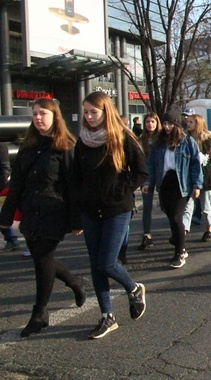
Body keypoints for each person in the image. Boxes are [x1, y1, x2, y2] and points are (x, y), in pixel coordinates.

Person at [0, 99, 85, 337]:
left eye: (43, 113)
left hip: (54, 212)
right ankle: (74, 280)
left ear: (55, 116)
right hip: (30, 212)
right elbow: (16, 184)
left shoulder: (66, 146)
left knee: (43, 258)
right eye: (35, 114)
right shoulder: (28, 146)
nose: (38, 117)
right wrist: (6, 215)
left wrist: (77, 220)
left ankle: (40, 313)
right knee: (40, 258)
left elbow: (73, 186)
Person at [70, 92, 148, 340]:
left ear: (106, 112)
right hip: (90, 211)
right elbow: (75, 178)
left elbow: (141, 172)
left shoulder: (123, 136)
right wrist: (77, 212)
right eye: (86, 112)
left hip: (117, 208)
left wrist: (121, 189)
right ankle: (107, 316)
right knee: (96, 265)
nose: (89, 117)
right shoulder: (82, 140)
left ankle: (134, 289)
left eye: (94, 112)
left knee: (107, 262)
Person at [142, 107, 202, 269]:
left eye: (170, 124)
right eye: (165, 124)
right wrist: (148, 183)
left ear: (177, 124)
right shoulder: (158, 143)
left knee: (176, 217)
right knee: (170, 215)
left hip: (181, 183)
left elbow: (196, 165)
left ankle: (179, 252)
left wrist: (197, 185)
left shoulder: (187, 142)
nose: (167, 127)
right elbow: (152, 166)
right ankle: (179, 241)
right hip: (165, 183)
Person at [183, 114, 211, 241]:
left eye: (191, 122)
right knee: (188, 205)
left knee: (205, 205)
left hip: (204, 174)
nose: (188, 124)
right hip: (190, 175)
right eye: (188, 122)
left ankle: (209, 228)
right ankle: (184, 230)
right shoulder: (185, 138)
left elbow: (206, 158)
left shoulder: (206, 138)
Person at [137, 112, 161, 250]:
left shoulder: (162, 138)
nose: (150, 124)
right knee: (147, 206)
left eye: (153, 122)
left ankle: (177, 232)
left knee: (166, 205)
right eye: (147, 122)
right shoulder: (141, 138)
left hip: (161, 174)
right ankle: (147, 235)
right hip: (146, 176)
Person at [0, 142, 21, 252]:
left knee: (2, 214)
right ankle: (11, 239)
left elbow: (5, 168)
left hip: (2, 188)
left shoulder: (1, 147)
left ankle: (12, 240)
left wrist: (1, 185)